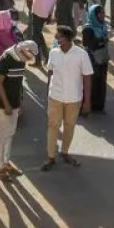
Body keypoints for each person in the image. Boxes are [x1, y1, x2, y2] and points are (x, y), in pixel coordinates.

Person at [41, 25, 92, 171]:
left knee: (69, 126)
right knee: (53, 126)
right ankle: (51, 156)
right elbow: (50, 73)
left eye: (59, 37)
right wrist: (48, 91)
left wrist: (87, 102)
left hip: (73, 98)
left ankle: (65, 152)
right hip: (55, 97)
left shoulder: (81, 54)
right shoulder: (54, 52)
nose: (56, 40)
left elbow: (87, 77)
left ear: (67, 39)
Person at [0, 41, 39, 180]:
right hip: (2, 103)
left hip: (14, 102)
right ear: (23, 51)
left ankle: (6, 162)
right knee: (3, 134)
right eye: (29, 56)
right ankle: (0, 167)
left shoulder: (21, 58)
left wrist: (19, 102)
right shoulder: (7, 59)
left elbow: (18, 82)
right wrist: (6, 105)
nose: (29, 60)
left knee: (11, 133)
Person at [81, 5, 111, 114]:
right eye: (101, 13)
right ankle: (88, 104)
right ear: (94, 14)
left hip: (102, 59)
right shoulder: (88, 28)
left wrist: (104, 40)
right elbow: (86, 44)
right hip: (92, 59)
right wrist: (100, 41)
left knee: (101, 82)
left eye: (103, 13)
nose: (103, 15)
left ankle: (98, 104)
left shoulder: (102, 26)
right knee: (91, 82)